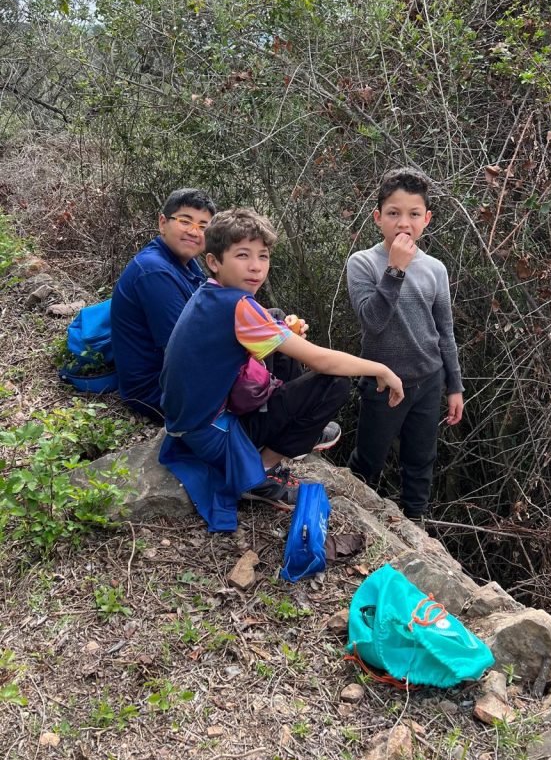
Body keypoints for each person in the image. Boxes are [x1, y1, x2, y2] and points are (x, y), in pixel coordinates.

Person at [158, 208, 404, 531]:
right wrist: (381, 369)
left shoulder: (212, 293)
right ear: (214, 261)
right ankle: (260, 472)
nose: (256, 266)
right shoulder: (239, 308)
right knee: (335, 383)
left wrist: (281, 331)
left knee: (275, 317)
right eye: (243, 255)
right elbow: (321, 361)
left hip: (189, 421)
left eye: (263, 256)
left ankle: (292, 431)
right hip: (213, 434)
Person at [346, 168, 464, 524]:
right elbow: (373, 322)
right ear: (377, 217)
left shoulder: (435, 269)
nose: (403, 223)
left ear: (426, 219)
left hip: (429, 381)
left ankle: (416, 525)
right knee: (369, 459)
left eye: (414, 214)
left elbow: (444, 332)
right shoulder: (363, 263)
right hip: (382, 384)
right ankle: (350, 518)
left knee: (420, 460)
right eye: (393, 213)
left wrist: (455, 386)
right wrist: (395, 270)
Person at [111, 187, 216, 421]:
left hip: (177, 376)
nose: (194, 232)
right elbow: (184, 351)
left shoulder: (187, 263)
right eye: (185, 221)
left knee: (273, 320)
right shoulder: (154, 271)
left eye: (203, 226)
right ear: (162, 223)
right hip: (158, 391)